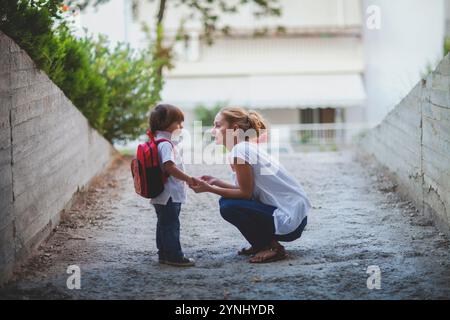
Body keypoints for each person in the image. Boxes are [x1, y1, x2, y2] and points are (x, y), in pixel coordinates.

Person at [190, 107, 311, 263]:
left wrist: (209, 189)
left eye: (218, 125)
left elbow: (245, 194)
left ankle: (271, 247)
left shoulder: (239, 152)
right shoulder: (245, 148)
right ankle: (261, 243)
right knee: (228, 202)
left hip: (289, 220)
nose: (213, 131)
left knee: (228, 206)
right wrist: (215, 182)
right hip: (295, 216)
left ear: (234, 129)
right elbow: (247, 190)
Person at [149, 104, 196, 267]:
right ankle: (174, 255)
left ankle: (163, 253)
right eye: (178, 122)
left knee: (163, 223)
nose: (181, 126)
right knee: (171, 224)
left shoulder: (157, 141)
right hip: (169, 193)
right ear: (165, 123)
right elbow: (170, 167)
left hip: (161, 193)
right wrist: (188, 178)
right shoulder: (166, 144)